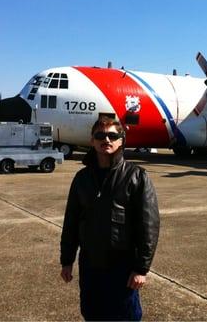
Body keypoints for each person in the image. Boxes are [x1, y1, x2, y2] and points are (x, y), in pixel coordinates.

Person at [60, 116, 160, 321]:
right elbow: (71, 222)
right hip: (90, 263)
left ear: (121, 140)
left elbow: (148, 226)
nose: (106, 139)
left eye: (112, 135)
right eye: (100, 135)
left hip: (122, 265)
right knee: (91, 313)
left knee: (125, 315)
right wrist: (67, 260)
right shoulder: (82, 178)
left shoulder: (137, 177)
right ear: (92, 140)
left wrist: (141, 269)